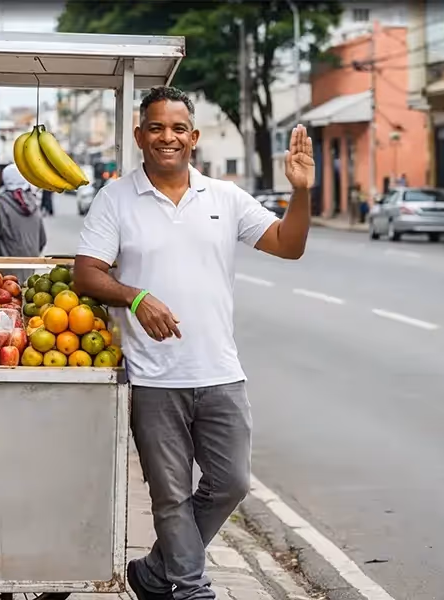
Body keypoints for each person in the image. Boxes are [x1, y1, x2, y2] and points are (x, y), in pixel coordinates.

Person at [73, 86, 313, 600]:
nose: (168, 137)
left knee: (231, 484)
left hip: (221, 372)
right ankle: (189, 586)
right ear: (140, 136)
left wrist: (301, 192)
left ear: (194, 137)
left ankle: (157, 572)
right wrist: (136, 298)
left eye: (178, 128)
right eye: (156, 127)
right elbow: (86, 275)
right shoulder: (116, 198)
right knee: (170, 496)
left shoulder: (223, 197)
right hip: (155, 377)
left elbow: (288, 246)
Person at [0, 164, 47, 282]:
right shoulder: (33, 202)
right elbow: (42, 239)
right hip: (30, 267)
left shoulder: (0, 204)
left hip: (7, 272)